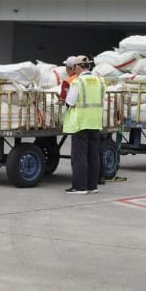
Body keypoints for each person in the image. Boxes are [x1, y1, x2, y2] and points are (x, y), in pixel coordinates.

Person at [60, 54, 104, 194]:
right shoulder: (100, 81)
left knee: (79, 157)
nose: (74, 70)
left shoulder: (78, 82)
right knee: (93, 156)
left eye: (75, 67)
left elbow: (70, 102)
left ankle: (79, 187)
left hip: (81, 123)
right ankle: (92, 186)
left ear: (79, 67)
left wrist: (63, 104)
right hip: (95, 122)